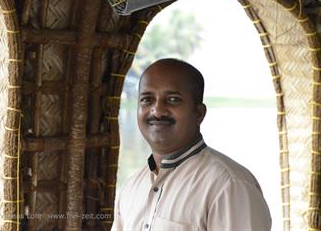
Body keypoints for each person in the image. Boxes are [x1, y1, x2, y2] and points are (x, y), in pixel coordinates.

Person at [111, 58, 272, 231]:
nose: (157, 111)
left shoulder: (229, 185)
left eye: (173, 99)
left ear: (199, 114)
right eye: (147, 99)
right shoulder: (131, 188)